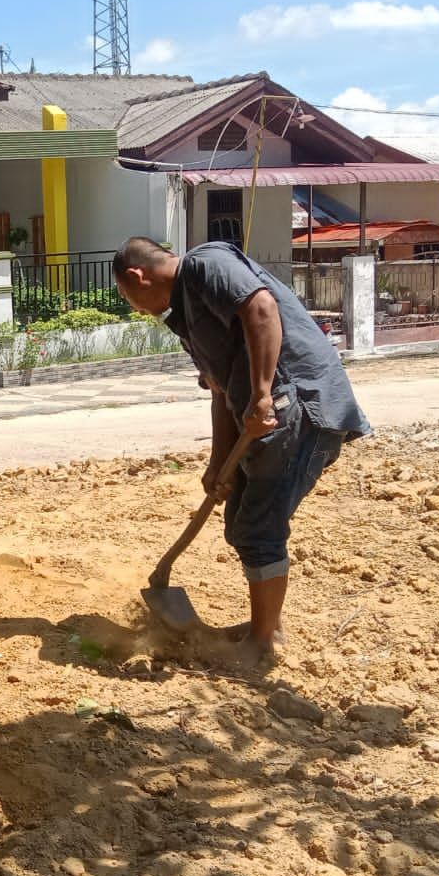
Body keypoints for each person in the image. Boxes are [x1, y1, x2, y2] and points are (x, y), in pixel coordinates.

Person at [113, 238, 371, 661]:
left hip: (299, 408)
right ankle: (267, 626)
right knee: (241, 523)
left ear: (137, 276)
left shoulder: (205, 263)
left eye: (129, 297)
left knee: (259, 528)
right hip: (266, 417)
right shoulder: (188, 319)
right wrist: (218, 465)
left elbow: (262, 310)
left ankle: (264, 644)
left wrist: (263, 395)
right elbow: (219, 391)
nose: (135, 308)